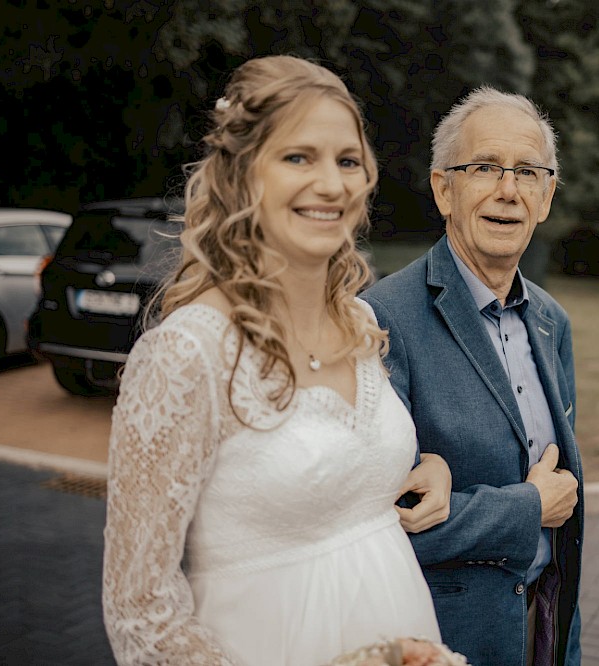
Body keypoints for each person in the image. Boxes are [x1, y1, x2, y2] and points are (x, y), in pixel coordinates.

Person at [101, 55, 461, 666]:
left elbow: (340, 469)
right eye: (299, 157)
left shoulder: (360, 323)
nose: (332, 183)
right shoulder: (187, 354)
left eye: (347, 160)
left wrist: (428, 465)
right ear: (243, 176)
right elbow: (141, 612)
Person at [361, 87, 584, 666]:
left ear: (546, 197)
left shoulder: (551, 323)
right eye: (485, 167)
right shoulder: (385, 318)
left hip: (543, 631)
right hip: (442, 641)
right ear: (444, 189)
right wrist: (528, 507)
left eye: (528, 172)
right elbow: (377, 522)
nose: (508, 191)